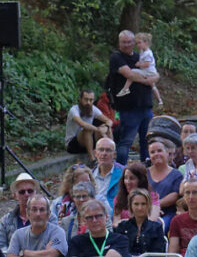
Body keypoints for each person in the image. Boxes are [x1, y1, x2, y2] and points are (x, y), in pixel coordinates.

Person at [108, 29, 155, 161]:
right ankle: (119, 174)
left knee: (147, 142)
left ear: (134, 42)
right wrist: (147, 79)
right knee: (125, 142)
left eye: (129, 42)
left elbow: (155, 73)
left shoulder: (140, 56)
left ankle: (147, 172)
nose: (127, 44)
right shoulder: (116, 57)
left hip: (146, 106)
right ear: (119, 43)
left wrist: (153, 78)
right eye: (124, 42)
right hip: (128, 109)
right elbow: (129, 74)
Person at [65, 89, 112, 156]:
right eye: (86, 99)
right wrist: (98, 130)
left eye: (91, 100)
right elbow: (82, 124)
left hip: (88, 143)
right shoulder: (74, 110)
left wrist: (106, 127)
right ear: (80, 99)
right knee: (87, 129)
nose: (88, 102)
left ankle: (110, 155)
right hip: (73, 145)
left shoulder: (93, 108)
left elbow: (109, 121)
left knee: (106, 127)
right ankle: (92, 160)